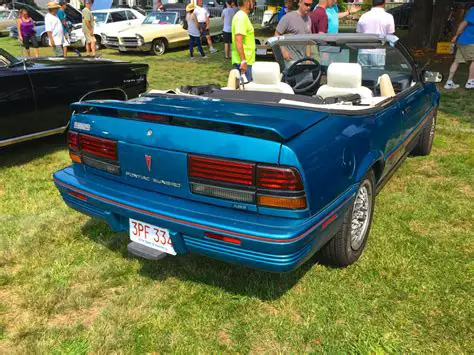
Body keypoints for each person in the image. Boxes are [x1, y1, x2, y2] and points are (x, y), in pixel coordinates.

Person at [444, 6, 474, 90]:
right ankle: (471, 81)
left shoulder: (472, 9)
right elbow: (464, 23)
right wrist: (456, 35)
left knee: (456, 61)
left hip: (463, 40)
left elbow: (464, 23)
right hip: (470, 41)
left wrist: (456, 36)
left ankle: (449, 82)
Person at [232, 0, 256, 81]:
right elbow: (238, 40)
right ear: (247, 2)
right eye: (253, 1)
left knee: (245, 90)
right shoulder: (241, 17)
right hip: (244, 62)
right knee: (244, 91)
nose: (254, 3)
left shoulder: (243, 16)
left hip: (247, 60)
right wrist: (243, 61)